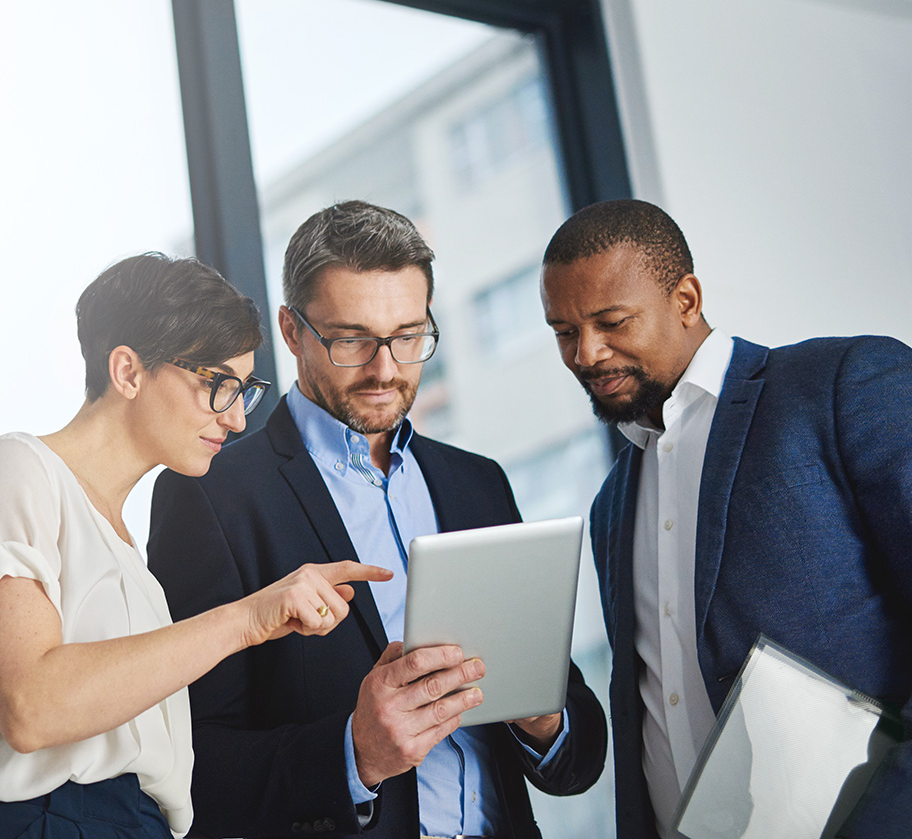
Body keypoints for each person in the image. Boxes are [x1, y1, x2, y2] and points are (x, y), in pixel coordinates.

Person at [148, 201, 607, 839]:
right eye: (351, 340)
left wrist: (542, 721)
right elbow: (186, 766)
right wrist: (352, 753)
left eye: (409, 336)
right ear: (291, 331)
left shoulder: (477, 484)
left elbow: (578, 760)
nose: (386, 368)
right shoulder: (210, 497)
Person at [0, 252, 390, 839]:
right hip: (44, 822)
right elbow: (31, 704)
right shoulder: (15, 466)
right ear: (128, 372)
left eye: (244, 391)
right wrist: (247, 620)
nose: (238, 419)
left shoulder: (130, 557)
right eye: (219, 385)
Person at [539, 199, 912, 839]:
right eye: (565, 332)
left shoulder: (840, 385)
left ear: (686, 298)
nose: (587, 354)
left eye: (611, 322)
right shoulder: (610, 506)